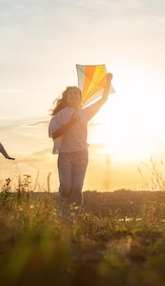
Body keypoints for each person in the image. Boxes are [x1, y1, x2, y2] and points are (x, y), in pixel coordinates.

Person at [48, 73, 113, 220]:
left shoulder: (85, 113)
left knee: (77, 188)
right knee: (66, 187)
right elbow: (54, 134)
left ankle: (72, 219)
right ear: (66, 98)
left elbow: (103, 99)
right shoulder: (60, 115)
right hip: (65, 154)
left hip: (81, 154)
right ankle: (62, 212)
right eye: (70, 93)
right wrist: (70, 123)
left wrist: (108, 81)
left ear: (80, 97)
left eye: (76, 93)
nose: (74, 95)